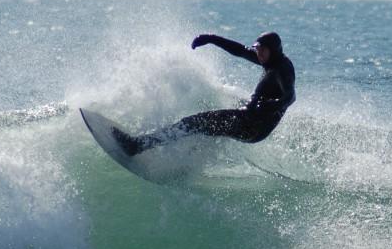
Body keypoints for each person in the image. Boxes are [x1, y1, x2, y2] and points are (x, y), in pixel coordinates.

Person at [112, 31, 295, 156]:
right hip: (250, 121)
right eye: (258, 49)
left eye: (263, 50)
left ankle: (137, 146)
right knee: (201, 126)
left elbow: (290, 97)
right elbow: (240, 50)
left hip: (254, 126)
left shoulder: (283, 69)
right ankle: (180, 164)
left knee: (192, 123)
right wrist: (211, 38)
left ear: (274, 50)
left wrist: (273, 105)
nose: (259, 54)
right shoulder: (269, 61)